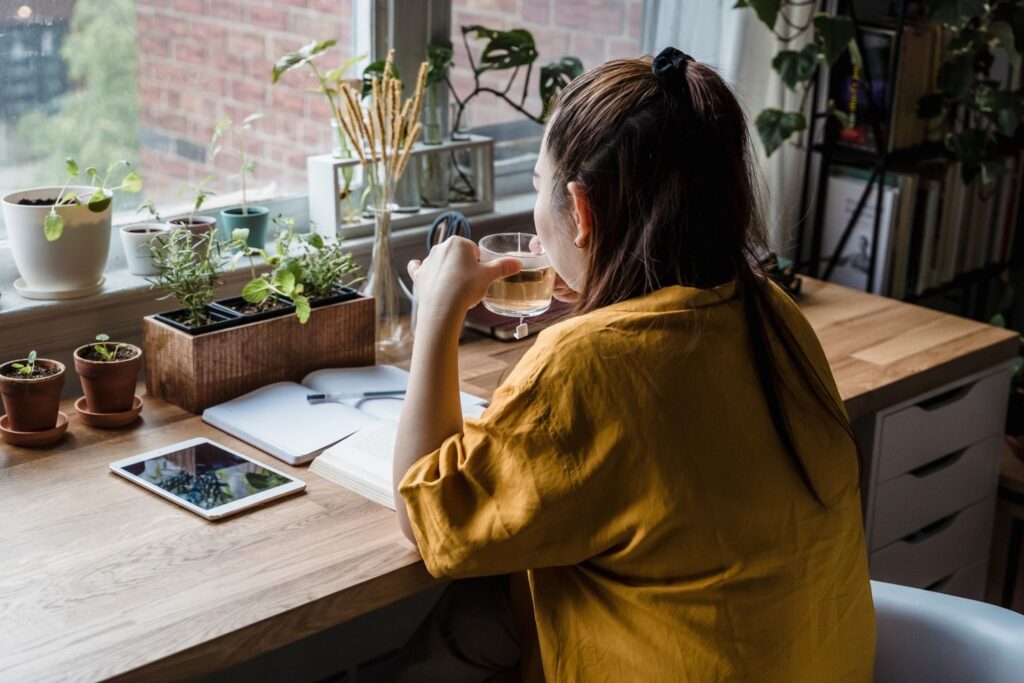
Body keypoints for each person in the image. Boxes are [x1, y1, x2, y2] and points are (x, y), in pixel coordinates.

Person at [387, 47, 875, 682]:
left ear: (582, 213)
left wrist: (435, 317)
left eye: (539, 188)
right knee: (490, 608)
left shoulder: (587, 365)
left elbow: (429, 524)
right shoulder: (771, 311)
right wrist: (598, 294)